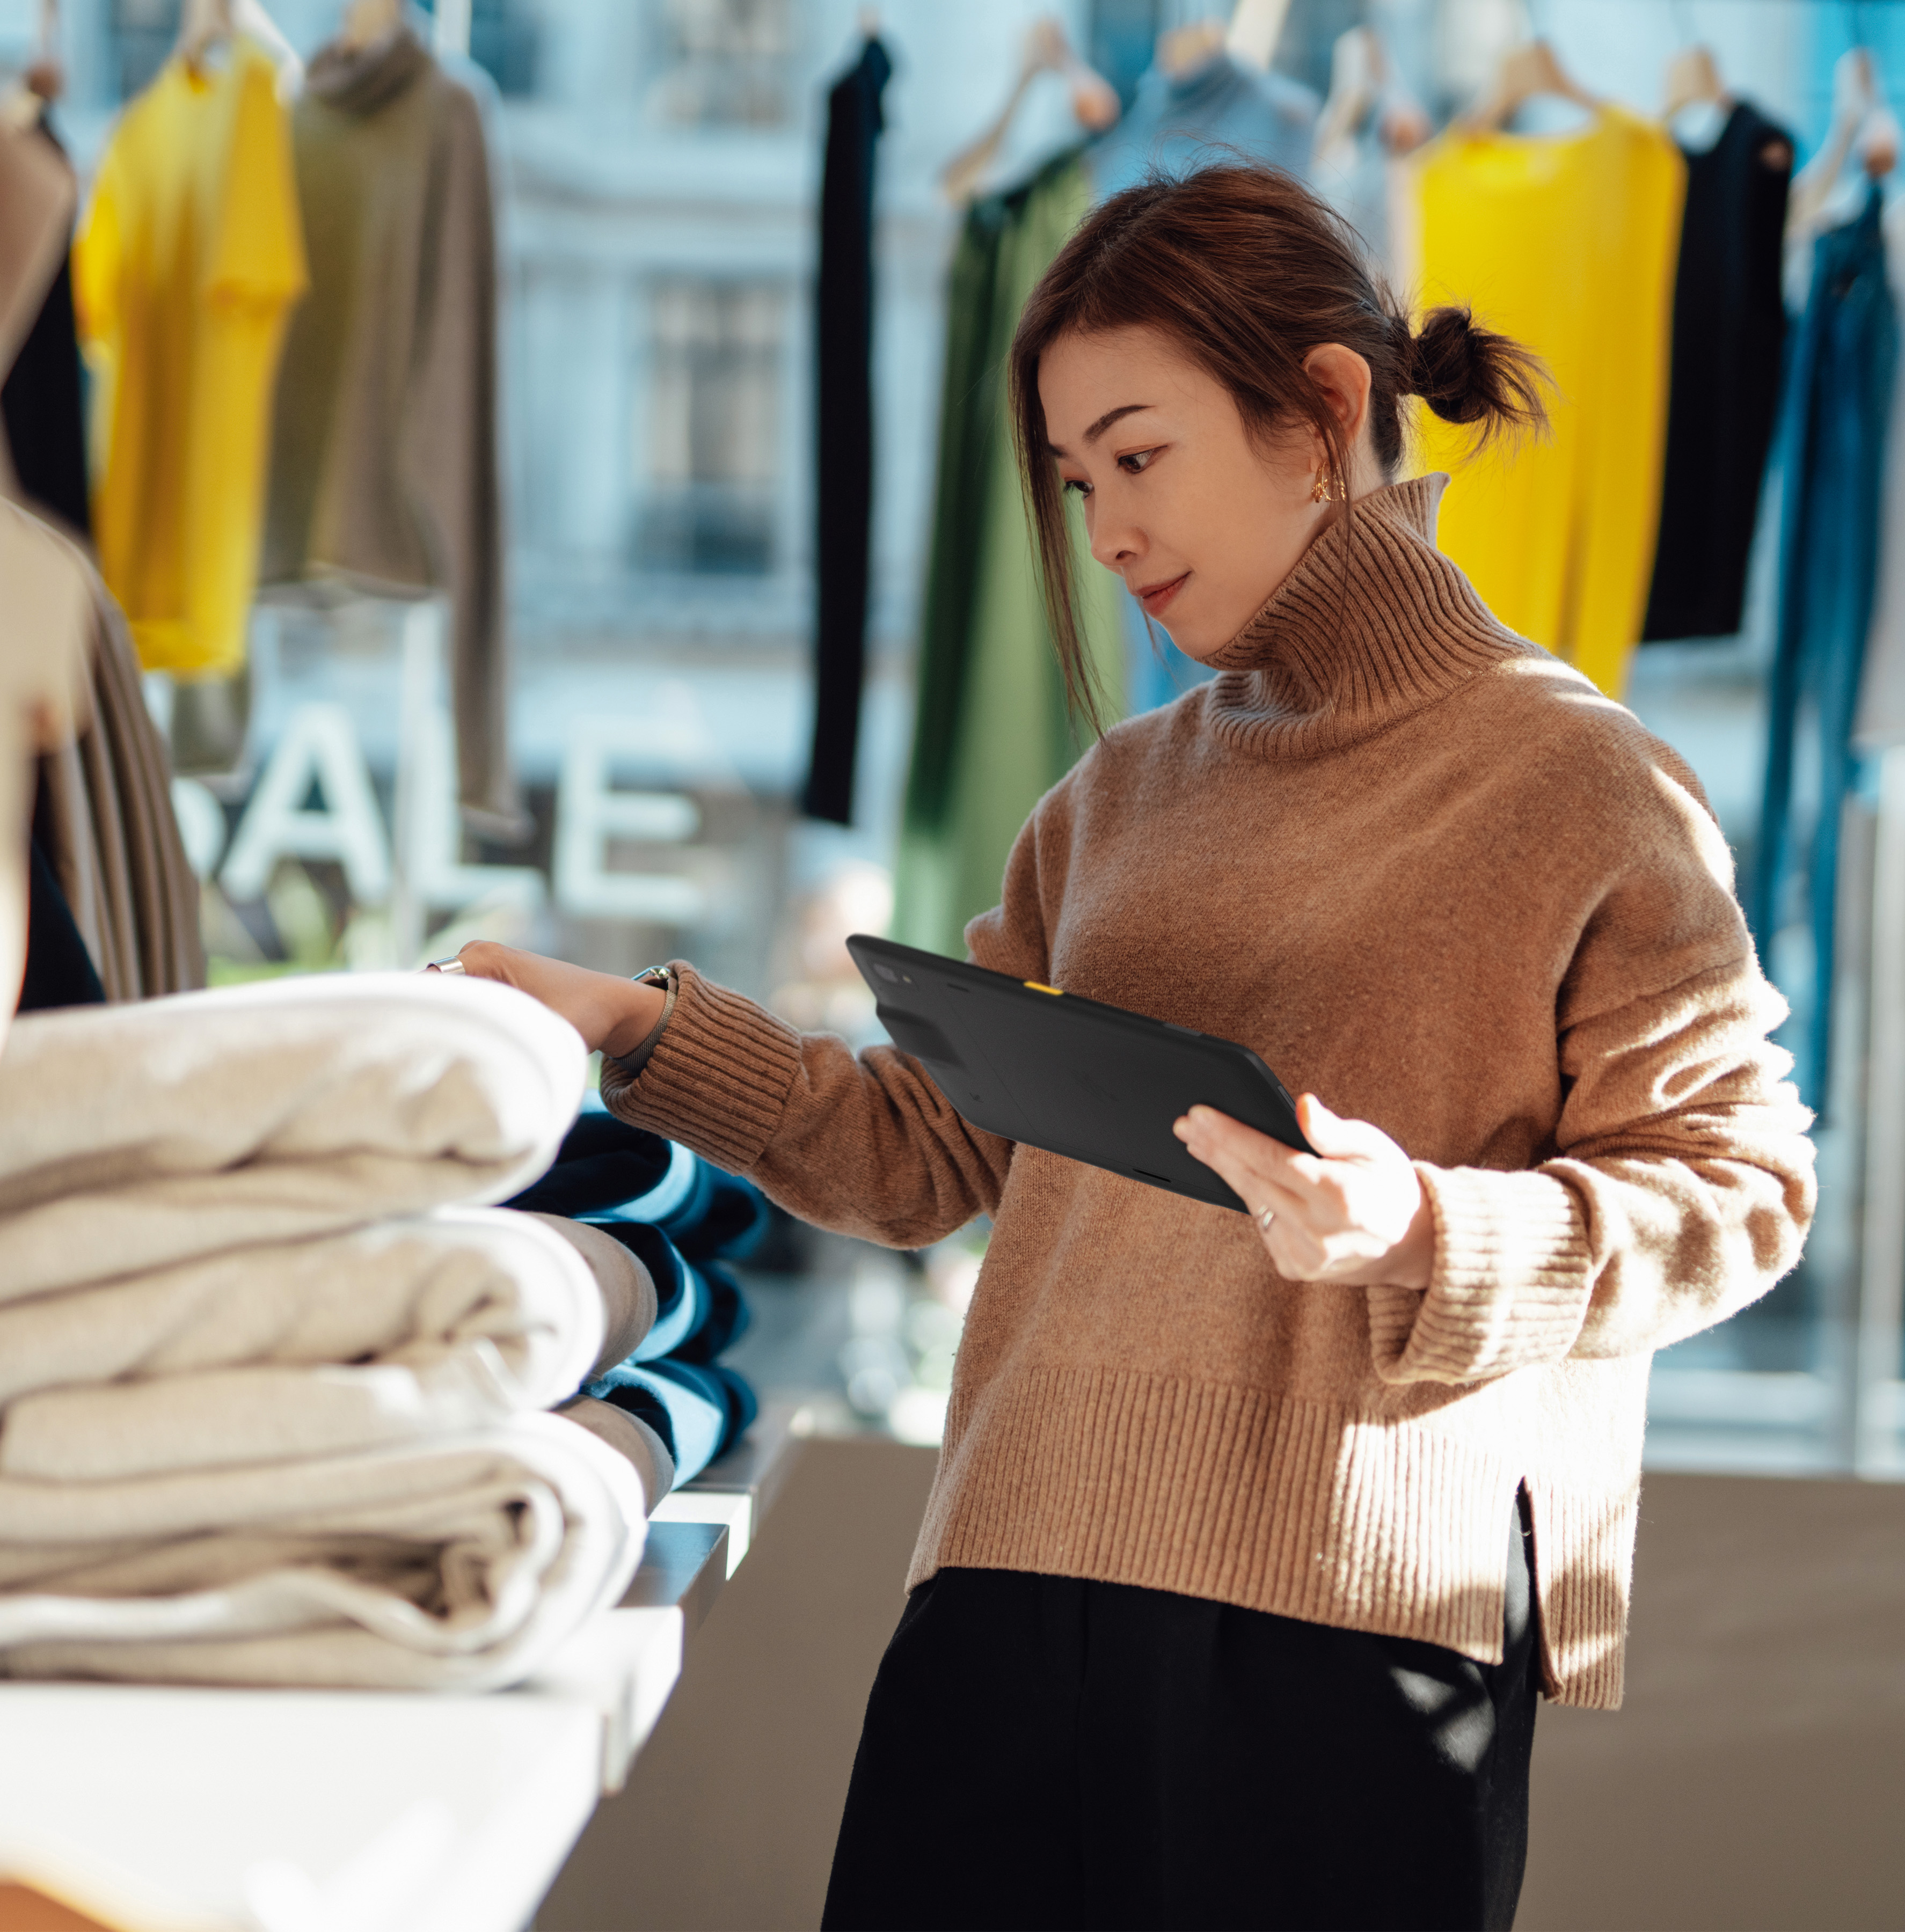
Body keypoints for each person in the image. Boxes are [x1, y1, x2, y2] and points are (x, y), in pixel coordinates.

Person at [439, 165, 1814, 1932]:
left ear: (1322, 410)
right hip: (1010, 1580)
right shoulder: (1117, 795)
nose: (1104, 531)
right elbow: (924, 1159)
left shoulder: (1579, 779)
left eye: (1139, 456)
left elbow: (1746, 1191)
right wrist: (632, 1023)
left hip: (1349, 1633)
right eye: (1078, 479)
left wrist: (1425, 1232)